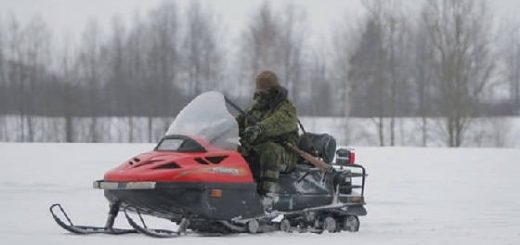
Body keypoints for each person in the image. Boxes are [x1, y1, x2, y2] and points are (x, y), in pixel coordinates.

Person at [236, 70, 300, 195]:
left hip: (285, 153)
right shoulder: (254, 109)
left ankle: (268, 195)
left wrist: (259, 129)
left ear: (275, 91)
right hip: (256, 149)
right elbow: (236, 122)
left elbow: (277, 122)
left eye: (265, 93)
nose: (262, 96)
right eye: (260, 93)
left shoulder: (286, 108)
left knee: (270, 148)